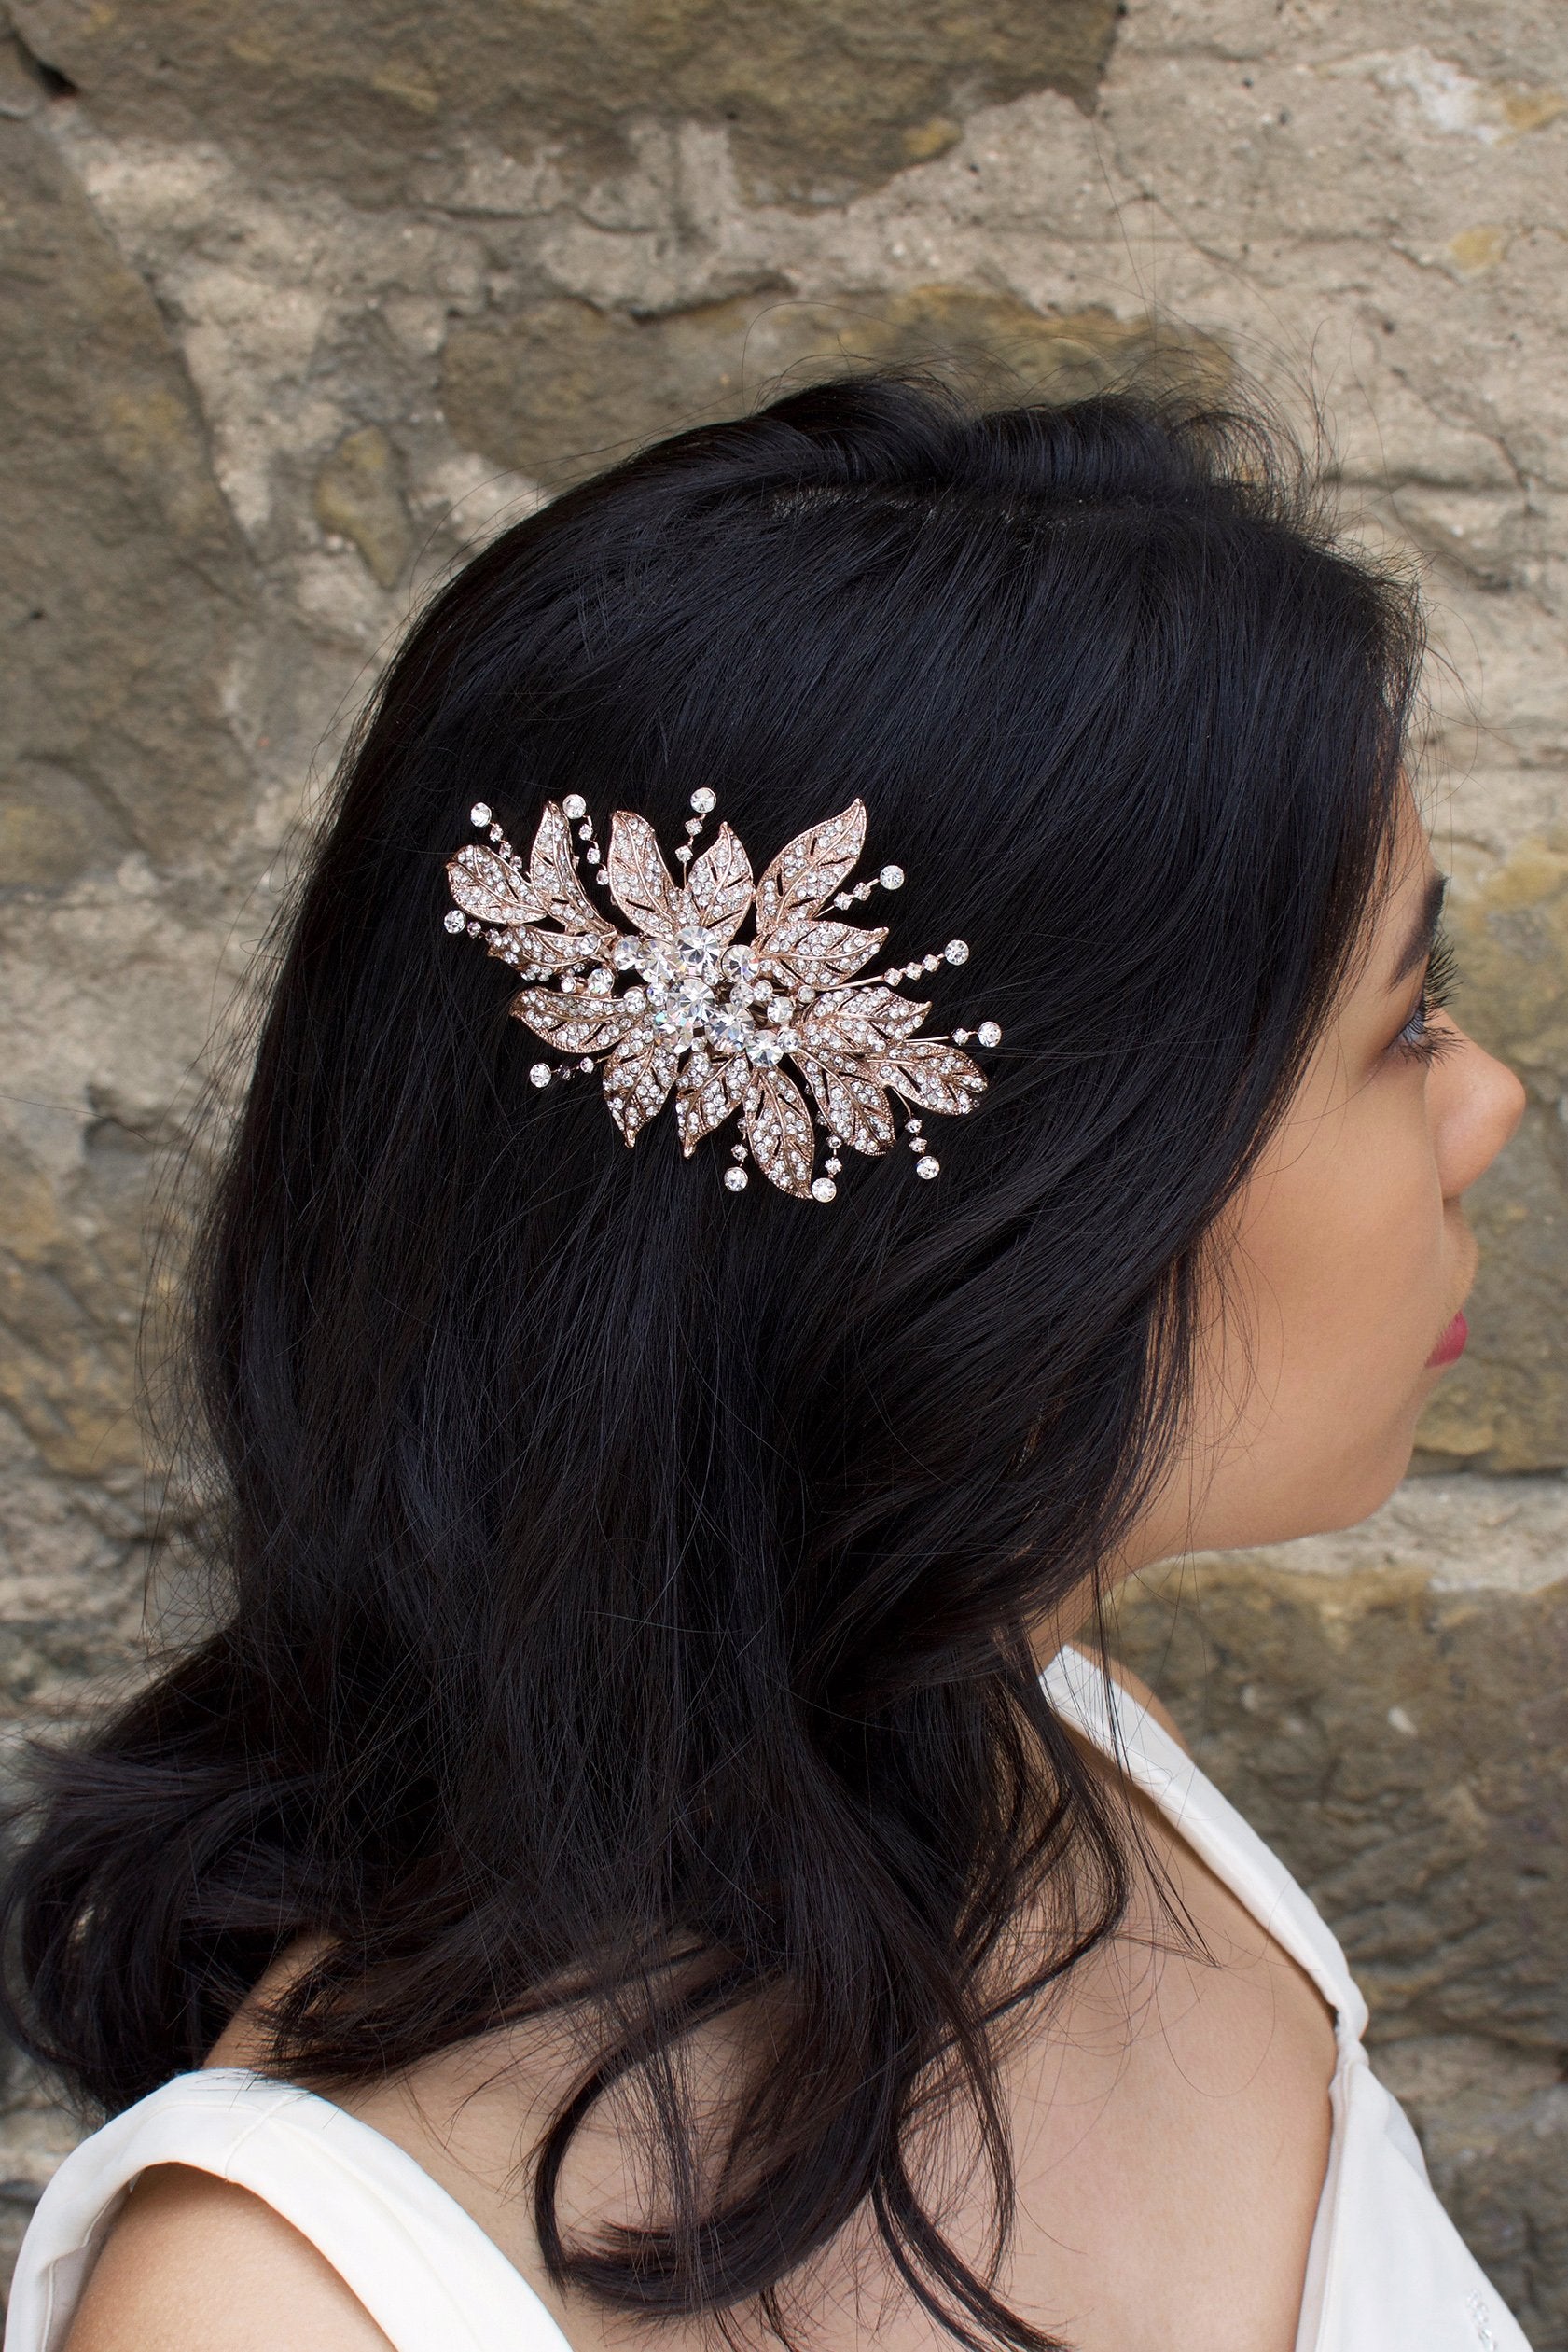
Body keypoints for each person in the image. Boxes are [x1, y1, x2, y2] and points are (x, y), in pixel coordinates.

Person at [0, 377, 1530, 2352]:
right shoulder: (282, 2318)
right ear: (1012, 1223)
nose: (1485, 1102)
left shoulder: (1054, 1751)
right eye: (1407, 1020)